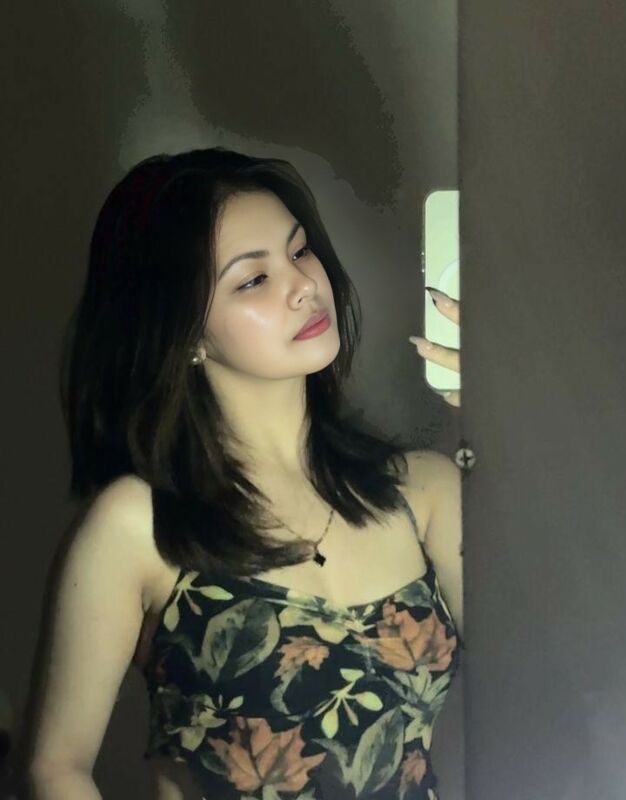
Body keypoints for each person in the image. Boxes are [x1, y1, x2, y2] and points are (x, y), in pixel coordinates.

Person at [21, 147, 464, 800]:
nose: (303, 284)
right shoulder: (139, 524)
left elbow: (561, 660)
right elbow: (54, 768)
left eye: (300, 250)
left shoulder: (423, 491)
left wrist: (516, 423)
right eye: (253, 279)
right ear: (185, 332)